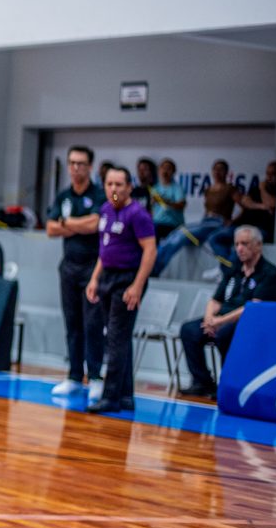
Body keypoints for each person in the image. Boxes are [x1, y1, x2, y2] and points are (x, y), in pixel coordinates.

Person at [178, 225, 276, 398]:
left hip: (252, 324)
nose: (239, 248)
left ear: (258, 245)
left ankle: (229, 384)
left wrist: (220, 322)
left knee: (225, 334)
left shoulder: (269, 273)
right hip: (222, 320)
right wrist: (209, 320)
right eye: (237, 244)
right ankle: (202, 382)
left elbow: (253, 308)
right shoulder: (234, 270)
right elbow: (215, 300)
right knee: (189, 330)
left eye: (245, 244)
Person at [84, 166, 156, 413]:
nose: (113, 189)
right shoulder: (106, 209)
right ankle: (125, 395)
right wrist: (95, 278)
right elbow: (104, 250)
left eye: (118, 184)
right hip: (108, 276)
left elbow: (150, 250)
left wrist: (137, 285)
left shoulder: (137, 214)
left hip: (128, 278)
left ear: (129, 187)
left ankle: (110, 397)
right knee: (119, 337)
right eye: (109, 184)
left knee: (115, 338)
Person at [45, 145, 106, 400]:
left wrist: (66, 223)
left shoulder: (101, 194)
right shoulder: (63, 196)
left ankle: (95, 377)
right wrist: (77, 225)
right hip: (68, 267)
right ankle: (74, 376)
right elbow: (50, 229)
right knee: (72, 323)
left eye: (81, 163)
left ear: (90, 167)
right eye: (72, 163)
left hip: (92, 267)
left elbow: (96, 224)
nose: (75, 168)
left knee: (93, 324)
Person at [153, 159, 235, 274]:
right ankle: (152, 266)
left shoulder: (230, 189)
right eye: (215, 169)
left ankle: (154, 270)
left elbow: (245, 203)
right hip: (206, 222)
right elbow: (207, 211)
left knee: (180, 235)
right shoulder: (209, 189)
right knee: (174, 236)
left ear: (226, 172)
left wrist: (233, 221)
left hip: (217, 222)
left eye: (221, 169)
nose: (217, 172)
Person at [208, 160, 276, 267]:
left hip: (261, 228)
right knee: (215, 238)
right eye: (267, 173)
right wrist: (261, 206)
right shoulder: (256, 189)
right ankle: (227, 268)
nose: (269, 177)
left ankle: (228, 270)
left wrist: (263, 189)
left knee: (240, 244)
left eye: (273, 174)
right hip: (242, 226)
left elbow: (271, 204)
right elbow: (245, 201)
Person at [149, 157, 186, 240]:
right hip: (156, 223)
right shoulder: (155, 188)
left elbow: (181, 205)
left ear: (173, 172)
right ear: (159, 171)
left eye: (168, 168)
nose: (165, 171)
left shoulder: (177, 188)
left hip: (172, 224)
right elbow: (152, 209)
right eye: (163, 168)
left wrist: (164, 201)